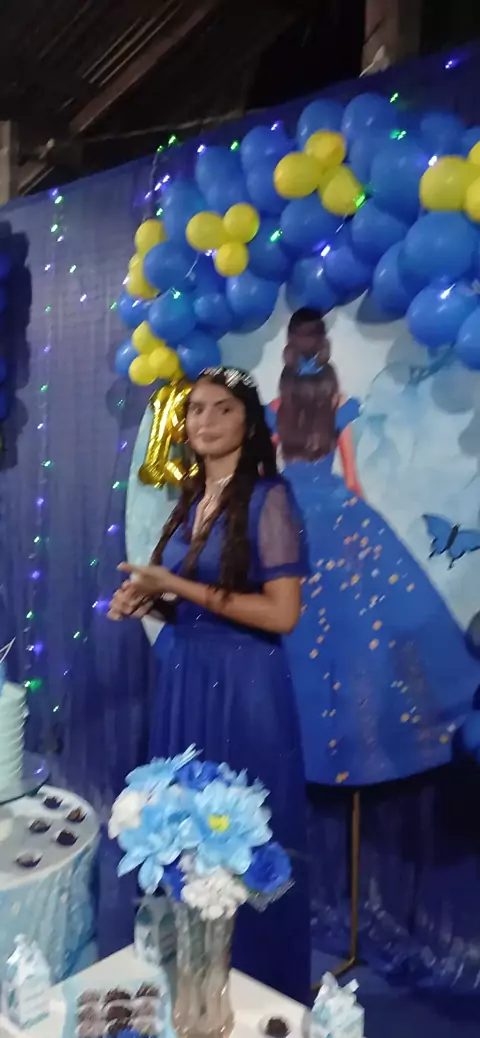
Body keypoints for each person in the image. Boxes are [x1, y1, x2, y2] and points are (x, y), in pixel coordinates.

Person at [108, 366, 311, 1005]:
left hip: (247, 686)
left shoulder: (270, 498)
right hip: (186, 678)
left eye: (223, 409)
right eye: (196, 409)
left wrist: (174, 585)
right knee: (182, 832)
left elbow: (281, 613)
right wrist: (148, 603)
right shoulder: (189, 500)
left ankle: (256, 991)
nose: (205, 420)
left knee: (242, 836)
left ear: (248, 424)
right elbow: (194, 607)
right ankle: (193, 980)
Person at [274, 308, 480, 787]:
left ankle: (309, 741)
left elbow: (267, 471)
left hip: (286, 509)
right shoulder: (337, 401)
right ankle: (358, 736)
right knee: (358, 620)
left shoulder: (277, 406)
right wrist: (361, 521)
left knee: (301, 623)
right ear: (322, 345)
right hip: (336, 508)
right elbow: (349, 474)